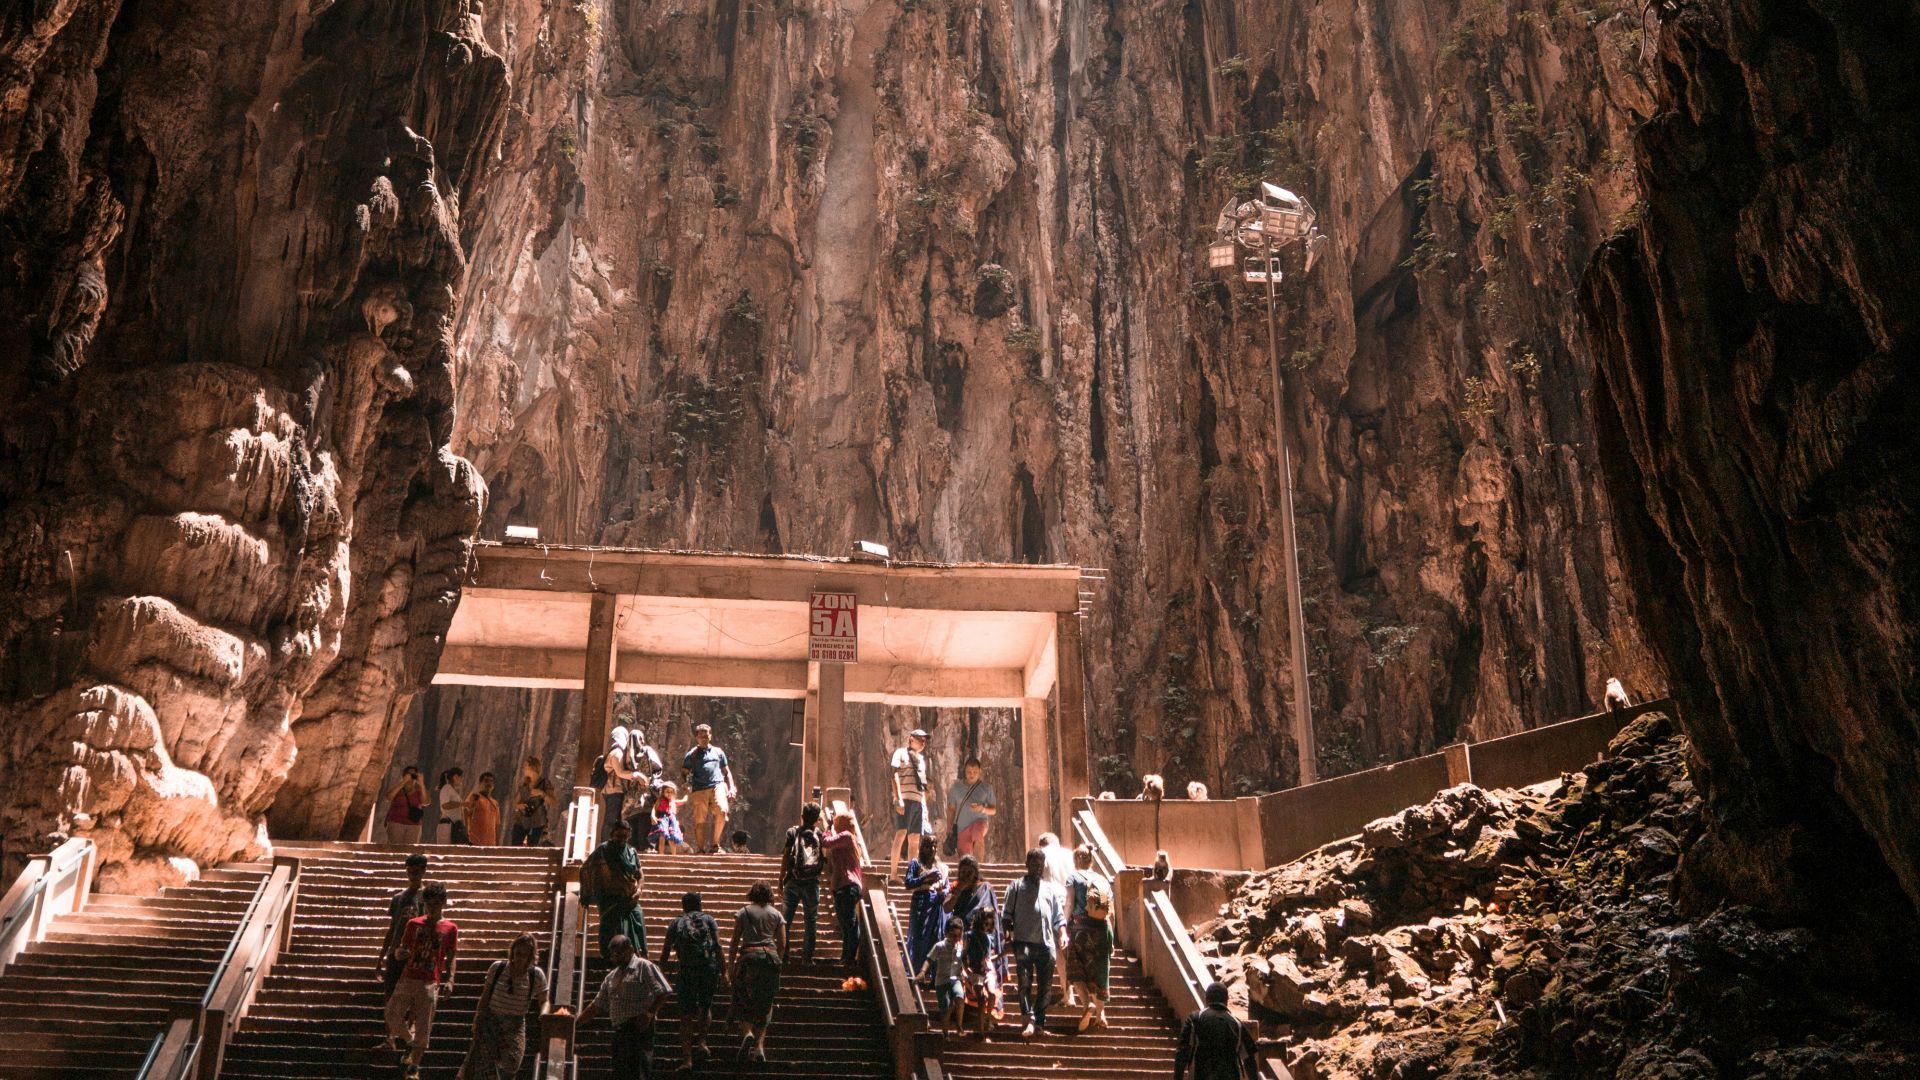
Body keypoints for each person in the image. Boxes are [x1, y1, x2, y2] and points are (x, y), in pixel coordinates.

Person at [385, 881, 458, 1079]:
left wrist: (450, 979)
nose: (432, 908)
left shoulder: (450, 928)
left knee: (424, 1027)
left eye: (436, 904)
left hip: (430, 981)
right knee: (392, 1015)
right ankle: (411, 1041)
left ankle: (413, 1069)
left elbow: (451, 956)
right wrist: (399, 954)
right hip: (408, 977)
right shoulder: (414, 924)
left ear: (443, 902)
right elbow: (402, 949)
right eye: (429, 904)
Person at [579, 934, 672, 1080]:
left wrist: (649, 1014)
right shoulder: (612, 976)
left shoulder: (643, 966)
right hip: (620, 1031)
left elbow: (664, 991)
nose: (615, 958)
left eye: (619, 954)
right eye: (613, 955)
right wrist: (576, 1022)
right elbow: (597, 1004)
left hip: (638, 1028)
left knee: (638, 1072)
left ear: (630, 950)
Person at [459, 932, 547, 1079]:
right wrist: (477, 1018)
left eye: (525, 955)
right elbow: (486, 995)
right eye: (518, 953)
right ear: (512, 951)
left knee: (513, 1061)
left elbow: (544, 999)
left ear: (530, 956)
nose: (520, 958)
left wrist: (543, 1013)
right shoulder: (498, 968)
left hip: (515, 1024)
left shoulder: (536, 975)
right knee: (483, 1063)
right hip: (490, 1020)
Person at [1000, 848, 1067, 1038]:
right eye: (1034, 864)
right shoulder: (1015, 887)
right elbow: (1006, 916)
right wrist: (1008, 937)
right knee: (1025, 983)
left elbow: (1058, 917)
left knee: (1045, 987)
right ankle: (1028, 1020)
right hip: (1024, 943)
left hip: (1046, 943)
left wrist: (1063, 934)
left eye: (1040, 865)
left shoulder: (1050, 889)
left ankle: (1039, 1022)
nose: (1038, 868)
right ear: (1026, 865)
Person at [660, 891, 723, 1070]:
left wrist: (661, 974)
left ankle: (687, 1059)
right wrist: (724, 971)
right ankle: (702, 1042)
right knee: (705, 1006)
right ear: (700, 905)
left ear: (683, 906)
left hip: (686, 970)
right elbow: (718, 946)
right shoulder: (709, 919)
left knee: (686, 1015)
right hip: (707, 969)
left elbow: (665, 951)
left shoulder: (676, 923)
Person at [729, 881, 787, 1063]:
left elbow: (734, 941)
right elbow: (783, 943)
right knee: (766, 1003)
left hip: (749, 958)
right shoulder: (777, 914)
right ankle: (759, 1047)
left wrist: (731, 964)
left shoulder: (743, 912)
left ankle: (747, 1032)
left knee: (742, 998)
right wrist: (777, 962)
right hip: (770, 959)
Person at [944, 855, 1001, 1018]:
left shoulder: (985, 888)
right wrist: (959, 890)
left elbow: (991, 915)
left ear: (976, 872)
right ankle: (960, 1008)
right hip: (960, 936)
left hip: (980, 937)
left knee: (982, 975)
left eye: (969, 872)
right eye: (963, 872)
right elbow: (947, 908)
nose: (966, 876)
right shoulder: (955, 887)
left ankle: (984, 1014)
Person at [1065, 843, 1113, 1030]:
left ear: (1077, 859)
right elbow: (1110, 912)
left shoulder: (1073, 877)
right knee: (1100, 971)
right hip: (1102, 930)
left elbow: (1070, 904)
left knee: (1075, 969)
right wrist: (1111, 938)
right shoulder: (1103, 880)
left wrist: (1064, 926)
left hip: (1081, 930)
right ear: (1091, 860)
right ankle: (1101, 1014)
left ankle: (1087, 1004)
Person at [583, 819, 647, 958]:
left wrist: (639, 890)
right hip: (610, 901)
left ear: (629, 835)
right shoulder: (603, 850)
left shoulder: (632, 852)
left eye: (625, 836)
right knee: (611, 931)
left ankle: (639, 959)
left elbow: (640, 874)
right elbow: (586, 868)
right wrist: (587, 894)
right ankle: (609, 959)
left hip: (631, 900)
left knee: (638, 926)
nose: (622, 839)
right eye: (619, 836)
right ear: (612, 834)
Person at [377, 853, 433, 1009]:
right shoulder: (398, 898)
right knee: (391, 995)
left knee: (414, 999)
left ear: (423, 871)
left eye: (416, 872)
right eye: (409, 871)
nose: (412, 875)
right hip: (396, 951)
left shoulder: (429, 899)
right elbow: (392, 928)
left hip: (418, 954)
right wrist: (382, 955)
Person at [1173, 981, 1258, 1080]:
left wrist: (1178, 1077)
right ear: (1226, 1000)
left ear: (1206, 999)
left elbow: (1182, 1051)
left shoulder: (1195, 1018)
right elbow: (1249, 1060)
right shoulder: (1237, 1024)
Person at [822, 808, 869, 969]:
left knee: (850, 924)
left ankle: (850, 958)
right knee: (845, 924)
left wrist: (826, 828)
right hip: (843, 885)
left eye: (836, 821)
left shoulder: (847, 836)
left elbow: (826, 842)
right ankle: (845, 957)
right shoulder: (848, 839)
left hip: (848, 885)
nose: (834, 824)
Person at [681, 723, 738, 854]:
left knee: (722, 811)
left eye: (706, 736)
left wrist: (732, 787)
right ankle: (701, 849)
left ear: (710, 736)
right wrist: (686, 783)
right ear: (696, 738)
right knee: (700, 819)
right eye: (701, 736)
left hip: (718, 785)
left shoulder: (718, 752)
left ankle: (715, 845)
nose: (704, 738)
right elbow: (684, 772)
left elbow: (727, 771)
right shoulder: (692, 754)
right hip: (699, 788)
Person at [779, 803, 825, 964]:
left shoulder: (792, 832)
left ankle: (784, 956)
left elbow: (786, 856)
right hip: (812, 883)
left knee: (785, 921)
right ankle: (807, 958)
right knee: (810, 921)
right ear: (817, 819)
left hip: (793, 881)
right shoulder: (819, 834)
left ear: (802, 816)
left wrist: (780, 879)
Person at [888, 728, 932, 880]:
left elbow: (922, 786)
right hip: (905, 800)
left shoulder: (921, 760)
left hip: (918, 802)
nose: (923, 743)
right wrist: (898, 798)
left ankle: (911, 875)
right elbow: (894, 774)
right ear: (912, 739)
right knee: (901, 834)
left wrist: (924, 808)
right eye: (920, 739)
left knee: (914, 838)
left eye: (924, 740)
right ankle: (893, 874)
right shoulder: (900, 753)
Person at [902, 832, 948, 974]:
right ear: (922, 848)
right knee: (919, 936)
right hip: (920, 903)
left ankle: (931, 973)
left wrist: (941, 891)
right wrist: (926, 877)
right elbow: (908, 883)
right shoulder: (916, 863)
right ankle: (916, 970)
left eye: (934, 846)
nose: (932, 849)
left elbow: (947, 886)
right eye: (928, 846)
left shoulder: (941, 867)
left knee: (935, 936)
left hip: (936, 903)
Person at [918, 919, 968, 1036]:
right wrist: (922, 972)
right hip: (941, 981)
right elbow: (929, 959)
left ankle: (959, 1024)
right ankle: (945, 1033)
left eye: (959, 936)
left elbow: (962, 961)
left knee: (960, 997)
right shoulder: (939, 946)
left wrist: (965, 972)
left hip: (955, 979)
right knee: (946, 1008)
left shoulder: (960, 947)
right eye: (953, 935)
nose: (956, 939)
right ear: (946, 933)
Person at [945, 757, 997, 858]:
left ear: (980, 771)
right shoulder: (956, 787)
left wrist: (982, 808)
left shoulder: (986, 788)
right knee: (964, 856)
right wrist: (949, 828)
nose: (972, 774)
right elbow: (951, 809)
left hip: (980, 821)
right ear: (964, 771)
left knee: (977, 834)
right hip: (962, 828)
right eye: (969, 772)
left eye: (975, 772)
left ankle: (979, 866)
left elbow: (993, 810)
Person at [384, 765, 426, 845]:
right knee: (395, 848)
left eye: (413, 775)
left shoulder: (418, 792)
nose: (411, 777)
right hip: (396, 823)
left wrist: (422, 785)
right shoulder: (398, 790)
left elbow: (426, 802)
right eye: (408, 774)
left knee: (410, 849)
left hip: (414, 825)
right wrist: (403, 782)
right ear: (404, 775)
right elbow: (388, 797)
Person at [649, 781, 686, 853]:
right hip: (663, 820)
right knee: (662, 837)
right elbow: (654, 808)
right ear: (663, 792)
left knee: (671, 839)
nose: (669, 794)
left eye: (671, 792)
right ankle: (661, 855)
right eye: (667, 791)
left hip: (671, 821)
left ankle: (674, 855)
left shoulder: (673, 801)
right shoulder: (660, 800)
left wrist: (686, 793)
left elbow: (683, 801)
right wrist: (653, 816)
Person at [514, 777, 552, 846]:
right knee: (516, 845)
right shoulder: (523, 787)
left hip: (536, 823)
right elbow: (514, 804)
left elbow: (552, 801)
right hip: (522, 822)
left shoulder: (543, 786)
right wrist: (520, 806)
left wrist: (542, 794)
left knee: (533, 845)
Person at [467, 772, 501, 846]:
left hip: (491, 844)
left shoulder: (495, 803)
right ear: (480, 783)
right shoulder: (475, 797)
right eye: (486, 781)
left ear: (493, 785)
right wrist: (467, 837)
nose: (489, 783)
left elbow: (497, 825)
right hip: (476, 842)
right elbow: (466, 815)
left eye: (491, 781)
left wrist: (497, 845)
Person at [437, 767, 468, 844]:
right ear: (455, 776)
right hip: (447, 825)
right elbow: (445, 805)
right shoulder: (446, 788)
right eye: (461, 777)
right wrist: (462, 804)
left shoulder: (452, 790)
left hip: (454, 826)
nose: (462, 780)